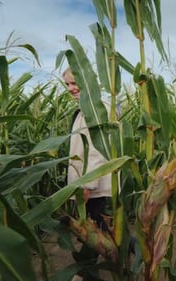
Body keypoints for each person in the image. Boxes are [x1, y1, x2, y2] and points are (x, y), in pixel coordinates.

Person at [63, 67, 112, 281]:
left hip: (97, 188)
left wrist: (86, 185)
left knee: (96, 232)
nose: (71, 89)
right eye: (67, 84)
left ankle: (86, 273)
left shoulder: (96, 108)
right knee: (99, 232)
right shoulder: (84, 109)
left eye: (75, 83)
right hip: (91, 185)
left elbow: (96, 150)